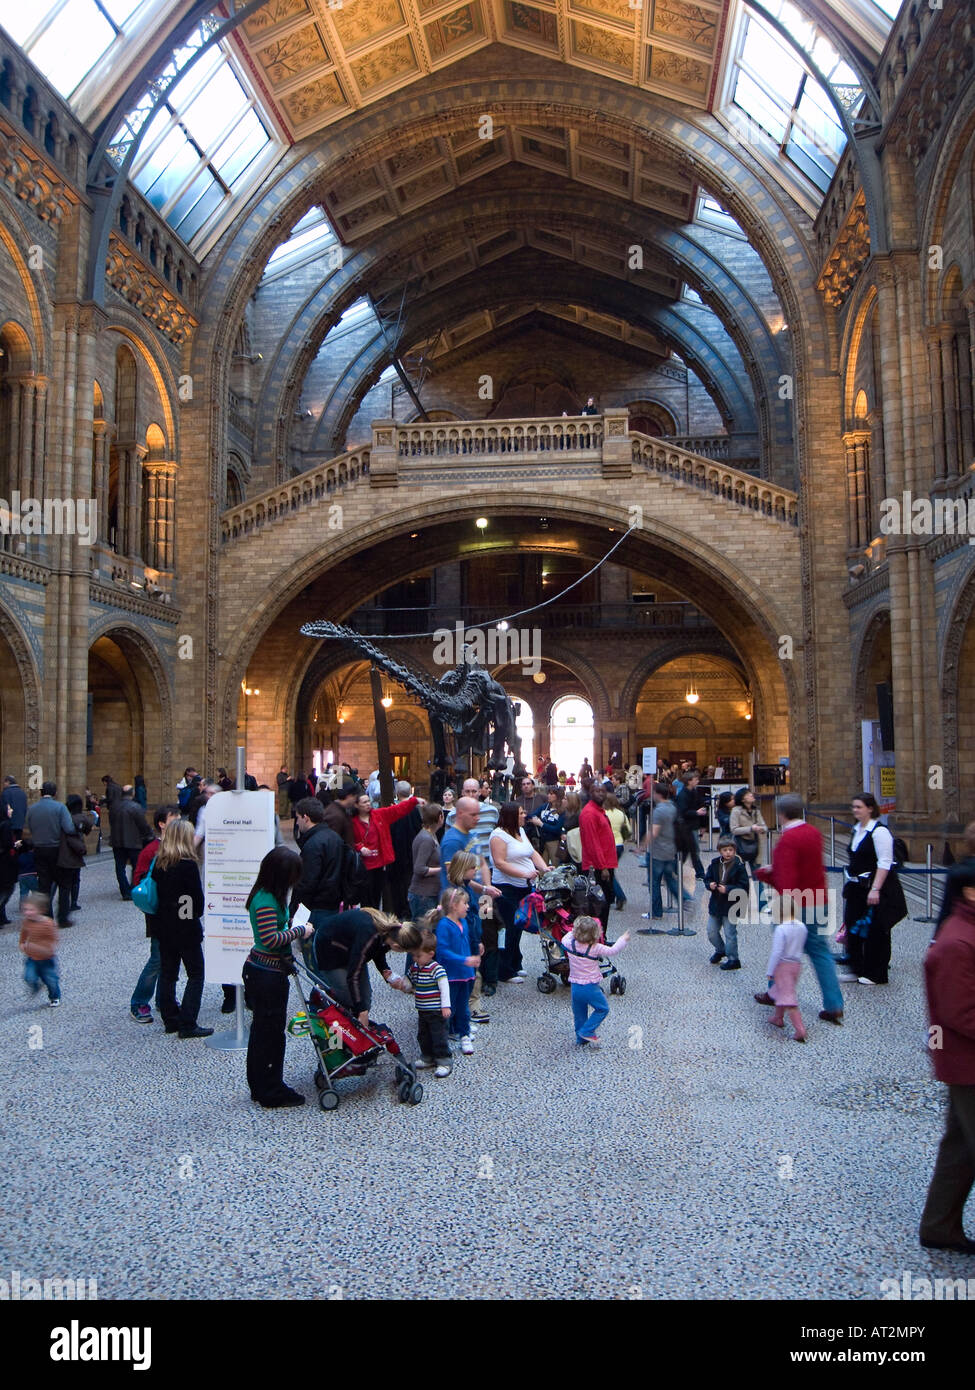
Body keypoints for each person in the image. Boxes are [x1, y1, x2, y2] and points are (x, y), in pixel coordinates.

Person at [918, 862, 975, 1254]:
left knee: (960, 1145)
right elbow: (962, 1012)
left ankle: (939, 1226)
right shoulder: (958, 941)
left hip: (964, 1062)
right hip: (968, 1062)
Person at [755, 794, 843, 1025]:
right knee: (820, 951)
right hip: (819, 898)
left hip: (796, 905)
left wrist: (766, 875)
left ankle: (775, 992)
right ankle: (834, 1004)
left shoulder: (787, 840)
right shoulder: (813, 832)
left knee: (784, 949)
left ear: (780, 813)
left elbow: (787, 880)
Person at [242, 846, 314, 1108]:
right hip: (267, 974)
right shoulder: (266, 901)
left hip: (265, 971)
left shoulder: (268, 895)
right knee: (270, 1033)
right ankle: (270, 1089)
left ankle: (261, 1084)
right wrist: (298, 930)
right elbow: (271, 939)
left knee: (263, 1031)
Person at [838, 792, 907, 987]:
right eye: (854, 807)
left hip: (874, 886)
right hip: (856, 886)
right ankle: (856, 967)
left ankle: (876, 972)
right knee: (853, 925)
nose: (855, 810)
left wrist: (875, 888)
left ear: (870, 808)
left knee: (876, 928)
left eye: (859, 807)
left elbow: (885, 862)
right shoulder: (857, 829)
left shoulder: (879, 832)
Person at [151, 819, 211, 1039]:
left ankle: (170, 1019)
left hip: (164, 926)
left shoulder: (160, 863)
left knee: (169, 973)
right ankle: (188, 1022)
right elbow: (196, 903)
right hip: (185, 928)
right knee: (196, 973)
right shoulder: (187, 866)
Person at [128, 804, 181, 1023]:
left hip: (174, 911)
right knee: (158, 958)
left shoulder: (178, 847)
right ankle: (139, 1002)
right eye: (173, 817)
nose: (178, 819)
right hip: (159, 913)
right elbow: (139, 881)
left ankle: (164, 999)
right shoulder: (152, 850)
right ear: (161, 823)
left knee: (170, 957)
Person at [310, 906, 408, 1024]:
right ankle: (327, 1009)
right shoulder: (371, 933)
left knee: (364, 1000)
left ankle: (354, 1030)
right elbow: (353, 975)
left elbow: (377, 949)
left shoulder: (392, 931)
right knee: (349, 998)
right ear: (397, 946)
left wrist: (385, 971)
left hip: (351, 948)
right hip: (329, 949)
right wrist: (362, 1012)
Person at [490, 802, 547, 982]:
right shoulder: (498, 836)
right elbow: (499, 863)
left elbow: (532, 853)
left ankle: (515, 963)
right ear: (512, 816)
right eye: (521, 813)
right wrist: (524, 873)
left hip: (524, 886)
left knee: (519, 926)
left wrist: (545, 868)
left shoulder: (520, 831)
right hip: (507, 888)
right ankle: (504, 970)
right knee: (509, 928)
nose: (525, 815)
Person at [561, 916, 628, 1047]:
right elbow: (612, 950)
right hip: (590, 987)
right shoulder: (595, 948)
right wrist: (623, 939)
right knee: (602, 1009)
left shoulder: (569, 943)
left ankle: (580, 1039)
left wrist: (574, 931)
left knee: (579, 1013)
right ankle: (587, 1031)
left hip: (575, 986)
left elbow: (565, 938)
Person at [399, 922, 453, 1077]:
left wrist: (445, 1006)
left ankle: (444, 1059)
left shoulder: (436, 969)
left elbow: (444, 988)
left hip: (436, 1010)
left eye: (418, 955)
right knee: (423, 1034)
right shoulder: (415, 968)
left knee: (439, 1035)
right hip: (422, 1009)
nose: (415, 959)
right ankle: (427, 1056)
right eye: (414, 956)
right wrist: (403, 984)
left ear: (430, 953)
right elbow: (410, 983)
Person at [353, 788, 420, 910]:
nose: (368, 804)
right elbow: (349, 841)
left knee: (377, 895)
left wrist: (413, 801)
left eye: (368, 801)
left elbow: (396, 810)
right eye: (364, 802)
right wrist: (360, 848)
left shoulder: (378, 815)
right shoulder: (352, 822)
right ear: (356, 805)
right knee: (366, 898)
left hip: (379, 863)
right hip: (364, 866)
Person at [445, 849, 489, 1026]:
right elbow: (468, 921)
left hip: (467, 939)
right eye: (473, 868)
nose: (476, 870)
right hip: (466, 941)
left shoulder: (462, 888)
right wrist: (476, 941)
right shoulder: (460, 893)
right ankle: (470, 1009)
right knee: (471, 976)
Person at [434, 886, 479, 1056]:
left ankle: (464, 1034)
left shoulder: (464, 922)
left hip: (465, 974)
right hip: (450, 975)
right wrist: (465, 960)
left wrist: (473, 955)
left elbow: (464, 944)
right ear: (454, 905)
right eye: (465, 903)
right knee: (448, 1007)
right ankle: (445, 1036)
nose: (468, 906)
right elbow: (443, 951)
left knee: (463, 1007)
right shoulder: (444, 925)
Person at [639, 784, 691, 929]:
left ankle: (656, 912)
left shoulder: (659, 811)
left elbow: (654, 832)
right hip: (671, 849)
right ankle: (686, 898)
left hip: (657, 851)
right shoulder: (672, 807)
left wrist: (642, 845)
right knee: (670, 878)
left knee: (654, 882)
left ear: (657, 794)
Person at [23, 781, 74, 927]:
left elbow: (27, 828)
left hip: (39, 849)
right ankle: (63, 918)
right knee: (64, 884)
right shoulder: (60, 807)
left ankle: (47, 917)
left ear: (41, 792)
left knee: (44, 885)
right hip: (57, 849)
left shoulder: (32, 809)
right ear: (55, 793)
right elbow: (69, 828)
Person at [704, 837, 750, 970]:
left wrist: (728, 889)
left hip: (731, 906)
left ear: (735, 850)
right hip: (716, 904)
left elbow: (744, 887)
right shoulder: (714, 863)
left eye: (731, 850)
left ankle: (733, 959)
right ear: (720, 851)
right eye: (725, 850)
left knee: (730, 933)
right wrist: (710, 885)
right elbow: (708, 879)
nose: (728, 853)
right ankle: (721, 949)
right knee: (711, 931)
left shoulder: (739, 866)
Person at [579, 785, 617, 934]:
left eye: (602, 791)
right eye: (596, 791)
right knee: (599, 905)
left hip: (605, 863)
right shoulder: (589, 813)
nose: (600, 794)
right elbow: (592, 843)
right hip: (599, 867)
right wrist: (603, 867)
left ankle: (601, 936)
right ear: (590, 793)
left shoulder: (597, 811)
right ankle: (598, 938)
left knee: (604, 903)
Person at [766, 910, 807, 1042]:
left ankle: (800, 1029)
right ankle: (778, 1017)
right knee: (781, 991)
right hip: (796, 964)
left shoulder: (781, 929)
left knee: (788, 998)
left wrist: (770, 971)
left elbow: (776, 952)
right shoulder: (802, 926)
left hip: (784, 965)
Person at [110, 784, 153, 899]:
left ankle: (125, 891)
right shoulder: (136, 807)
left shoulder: (114, 807)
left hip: (117, 841)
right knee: (136, 866)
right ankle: (134, 888)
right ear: (132, 794)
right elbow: (143, 825)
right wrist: (149, 836)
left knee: (120, 867)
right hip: (134, 842)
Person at [729, 788, 768, 910]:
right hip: (740, 846)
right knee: (740, 876)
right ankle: (739, 903)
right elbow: (734, 829)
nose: (751, 795)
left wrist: (762, 829)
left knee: (758, 875)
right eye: (748, 794)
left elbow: (764, 826)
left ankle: (763, 905)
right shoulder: (736, 811)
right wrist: (751, 828)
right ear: (743, 798)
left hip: (755, 846)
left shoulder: (756, 811)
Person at [20, 892, 60, 1006]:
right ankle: (36, 986)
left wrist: (42, 949)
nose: (27, 912)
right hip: (32, 958)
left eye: (31, 910)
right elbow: (23, 935)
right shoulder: (26, 922)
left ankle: (54, 997)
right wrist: (22, 944)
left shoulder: (48, 923)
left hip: (47, 958)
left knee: (51, 980)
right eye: (26, 909)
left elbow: (53, 940)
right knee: (28, 977)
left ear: (41, 910)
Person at [409, 803, 443, 921]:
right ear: (439, 818)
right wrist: (442, 869)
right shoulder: (426, 839)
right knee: (424, 933)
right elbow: (419, 869)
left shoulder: (431, 835)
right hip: (423, 895)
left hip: (429, 893)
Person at [62, 794, 94, 915]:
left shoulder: (65, 817)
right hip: (77, 849)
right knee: (75, 878)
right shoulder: (82, 817)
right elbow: (88, 830)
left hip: (64, 849)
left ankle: (64, 901)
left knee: (64, 878)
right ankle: (73, 902)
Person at [675, 771, 708, 880]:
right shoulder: (683, 795)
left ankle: (674, 869)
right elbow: (682, 812)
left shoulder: (694, 792)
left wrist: (703, 824)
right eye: (695, 779)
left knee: (688, 850)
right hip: (686, 826)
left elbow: (700, 805)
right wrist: (696, 813)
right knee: (693, 850)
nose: (698, 781)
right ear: (689, 781)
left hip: (692, 825)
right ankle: (700, 873)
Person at [602, 791, 629, 909]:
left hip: (607, 846)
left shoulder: (603, 814)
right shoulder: (621, 814)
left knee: (608, 874)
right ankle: (613, 895)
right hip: (619, 845)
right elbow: (628, 830)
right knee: (611, 871)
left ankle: (619, 895)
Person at [0, 802, 18, 925]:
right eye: (9, 808)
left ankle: (2, 917)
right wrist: (15, 845)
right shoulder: (6, 825)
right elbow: (7, 844)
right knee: (7, 889)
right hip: (5, 862)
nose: (11, 810)